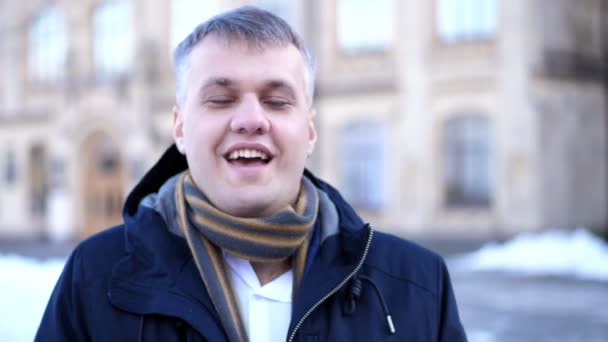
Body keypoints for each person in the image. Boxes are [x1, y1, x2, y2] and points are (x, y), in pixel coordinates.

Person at [36, 6, 467, 342]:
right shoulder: (93, 278)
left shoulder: (416, 284)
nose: (250, 119)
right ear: (180, 128)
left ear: (310, 130)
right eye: (221, 99)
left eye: (277, 101)